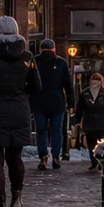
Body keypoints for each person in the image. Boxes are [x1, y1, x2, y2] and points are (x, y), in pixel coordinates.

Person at [0, 16, 40, 207]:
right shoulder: (26, 56)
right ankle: (17, 193)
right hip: (19, 111)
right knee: (15, 157)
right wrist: (21, 92)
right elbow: (37, 86)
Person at [32, 39, 73, 170]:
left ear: (41, 49)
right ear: (54, 49)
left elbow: (28, 82)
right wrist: (71, 104)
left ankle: (43, 156)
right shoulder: (61, 63)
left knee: (41, 131)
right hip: (57, 102)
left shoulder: (35, 61)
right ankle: (56, 156)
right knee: (57, 130)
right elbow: (68, 85)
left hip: (39, 101)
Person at [76, 73, 104, 171]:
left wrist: (77, 121)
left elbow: (79, 108)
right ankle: (99, 162)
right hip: (102, 122)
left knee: (91, 143)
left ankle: (94, 162)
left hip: (90, 121)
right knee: (101, 143)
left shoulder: (85, 93)